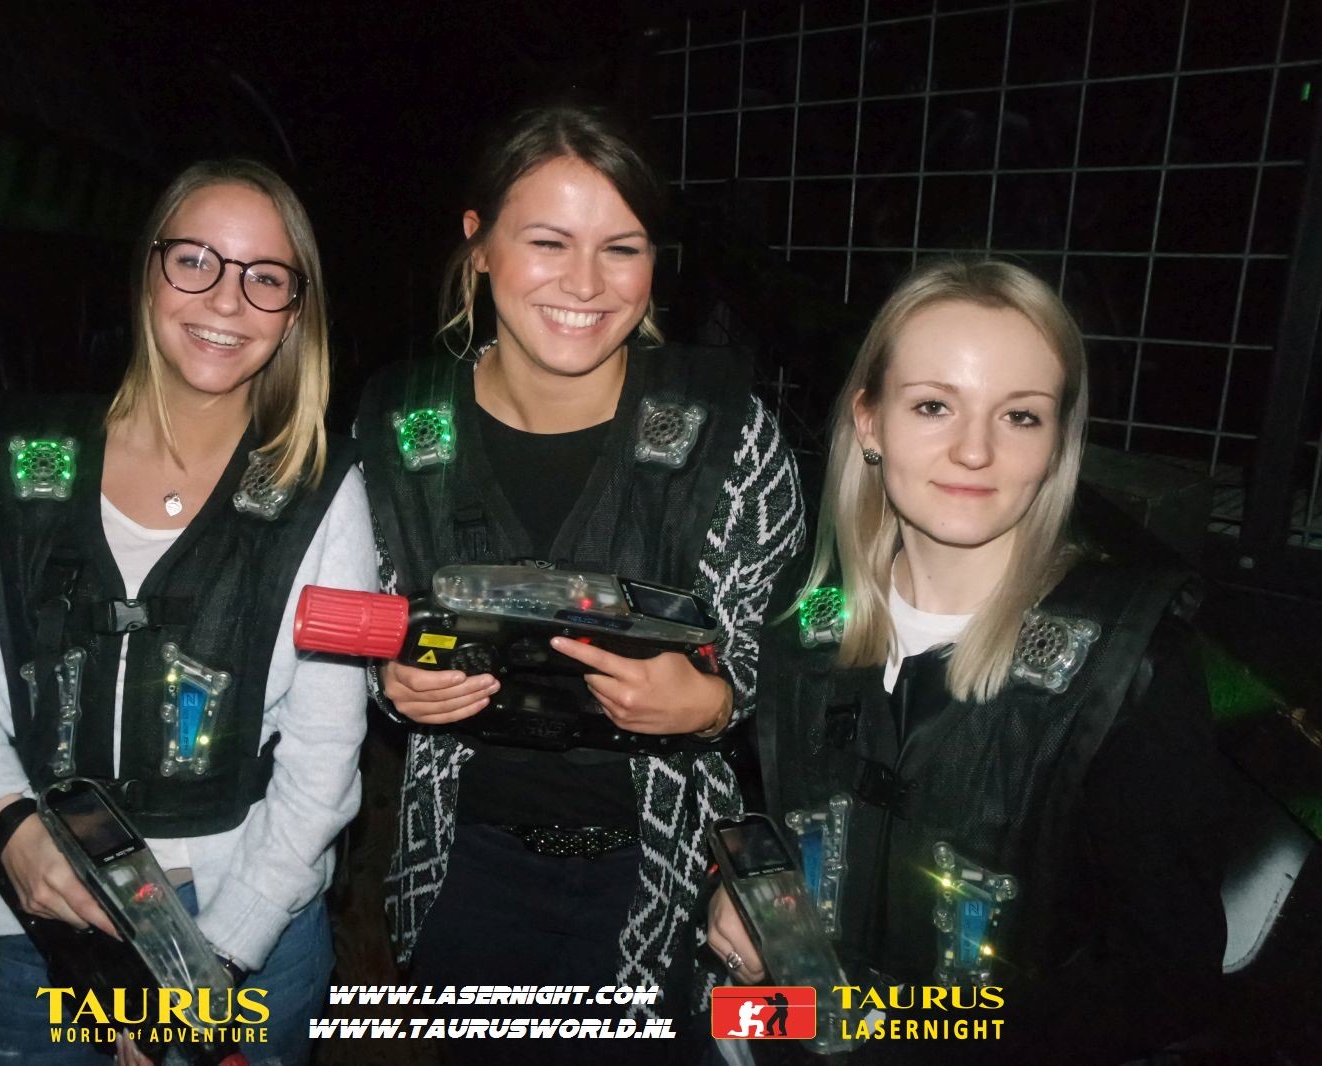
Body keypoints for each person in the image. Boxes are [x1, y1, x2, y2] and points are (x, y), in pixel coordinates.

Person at [0, 159, 376, 1065]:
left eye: (264, 277)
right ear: (148, 271)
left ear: (293, 314)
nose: (226, 299)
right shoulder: (17, 463)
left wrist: (205, 967)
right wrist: (7, 824)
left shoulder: (322, 493)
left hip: (245, 930)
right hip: (47, 923)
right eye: (195, 260)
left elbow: (323, 757)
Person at [355, 105, 806, 1058]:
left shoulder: (729, 433)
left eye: (621, 248)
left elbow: (802, 662)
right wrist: (393, 682)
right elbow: (365, 627)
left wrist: (715, 704)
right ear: (479, 245)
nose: (586, 283)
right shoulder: (396, 426)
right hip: (464, 875)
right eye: (547, 242)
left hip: (670, 886)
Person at [707, 259, 1226, 1062]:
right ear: (869, 423)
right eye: (933, 406)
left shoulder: (1125, 664)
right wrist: (741, 893)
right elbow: (762, 808)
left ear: (1055, 445)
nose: (974, 450)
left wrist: (900, 1032)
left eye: (1019, 416)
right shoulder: (805, 619)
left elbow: (1168, 982)